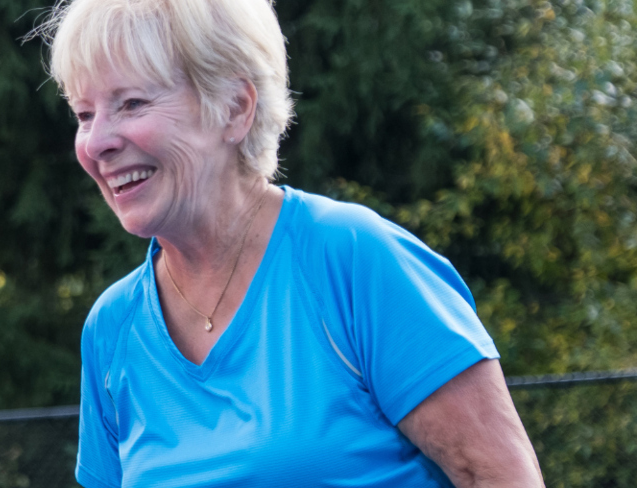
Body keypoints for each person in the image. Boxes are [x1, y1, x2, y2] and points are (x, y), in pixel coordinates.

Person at [31, 0, 543, 486]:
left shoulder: (353, 259)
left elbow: (499, 475)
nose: (97, 143)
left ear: (234, 108)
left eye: (132, 103)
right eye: (84, 114)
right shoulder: (113, 326)